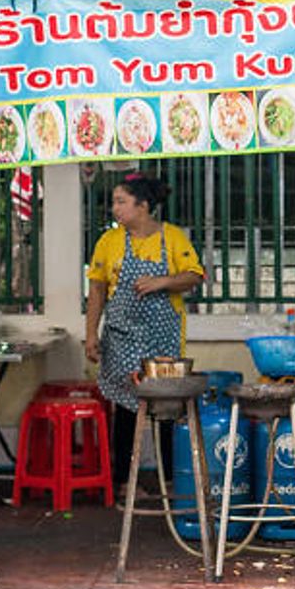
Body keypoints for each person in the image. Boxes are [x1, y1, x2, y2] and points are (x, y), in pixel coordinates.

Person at [84, 173, 204, 484]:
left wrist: (162, 282)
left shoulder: (173, 238)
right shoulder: (108, 242)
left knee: (165, 408)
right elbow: (96, 290)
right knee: (125, 410)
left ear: (143, 206)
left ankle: (168, 480)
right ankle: (124, 481)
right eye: (114, 202)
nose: (115, 209)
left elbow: (194, 275)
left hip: (163, 338)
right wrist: (90, 335)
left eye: (121, 202)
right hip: (121, 338)